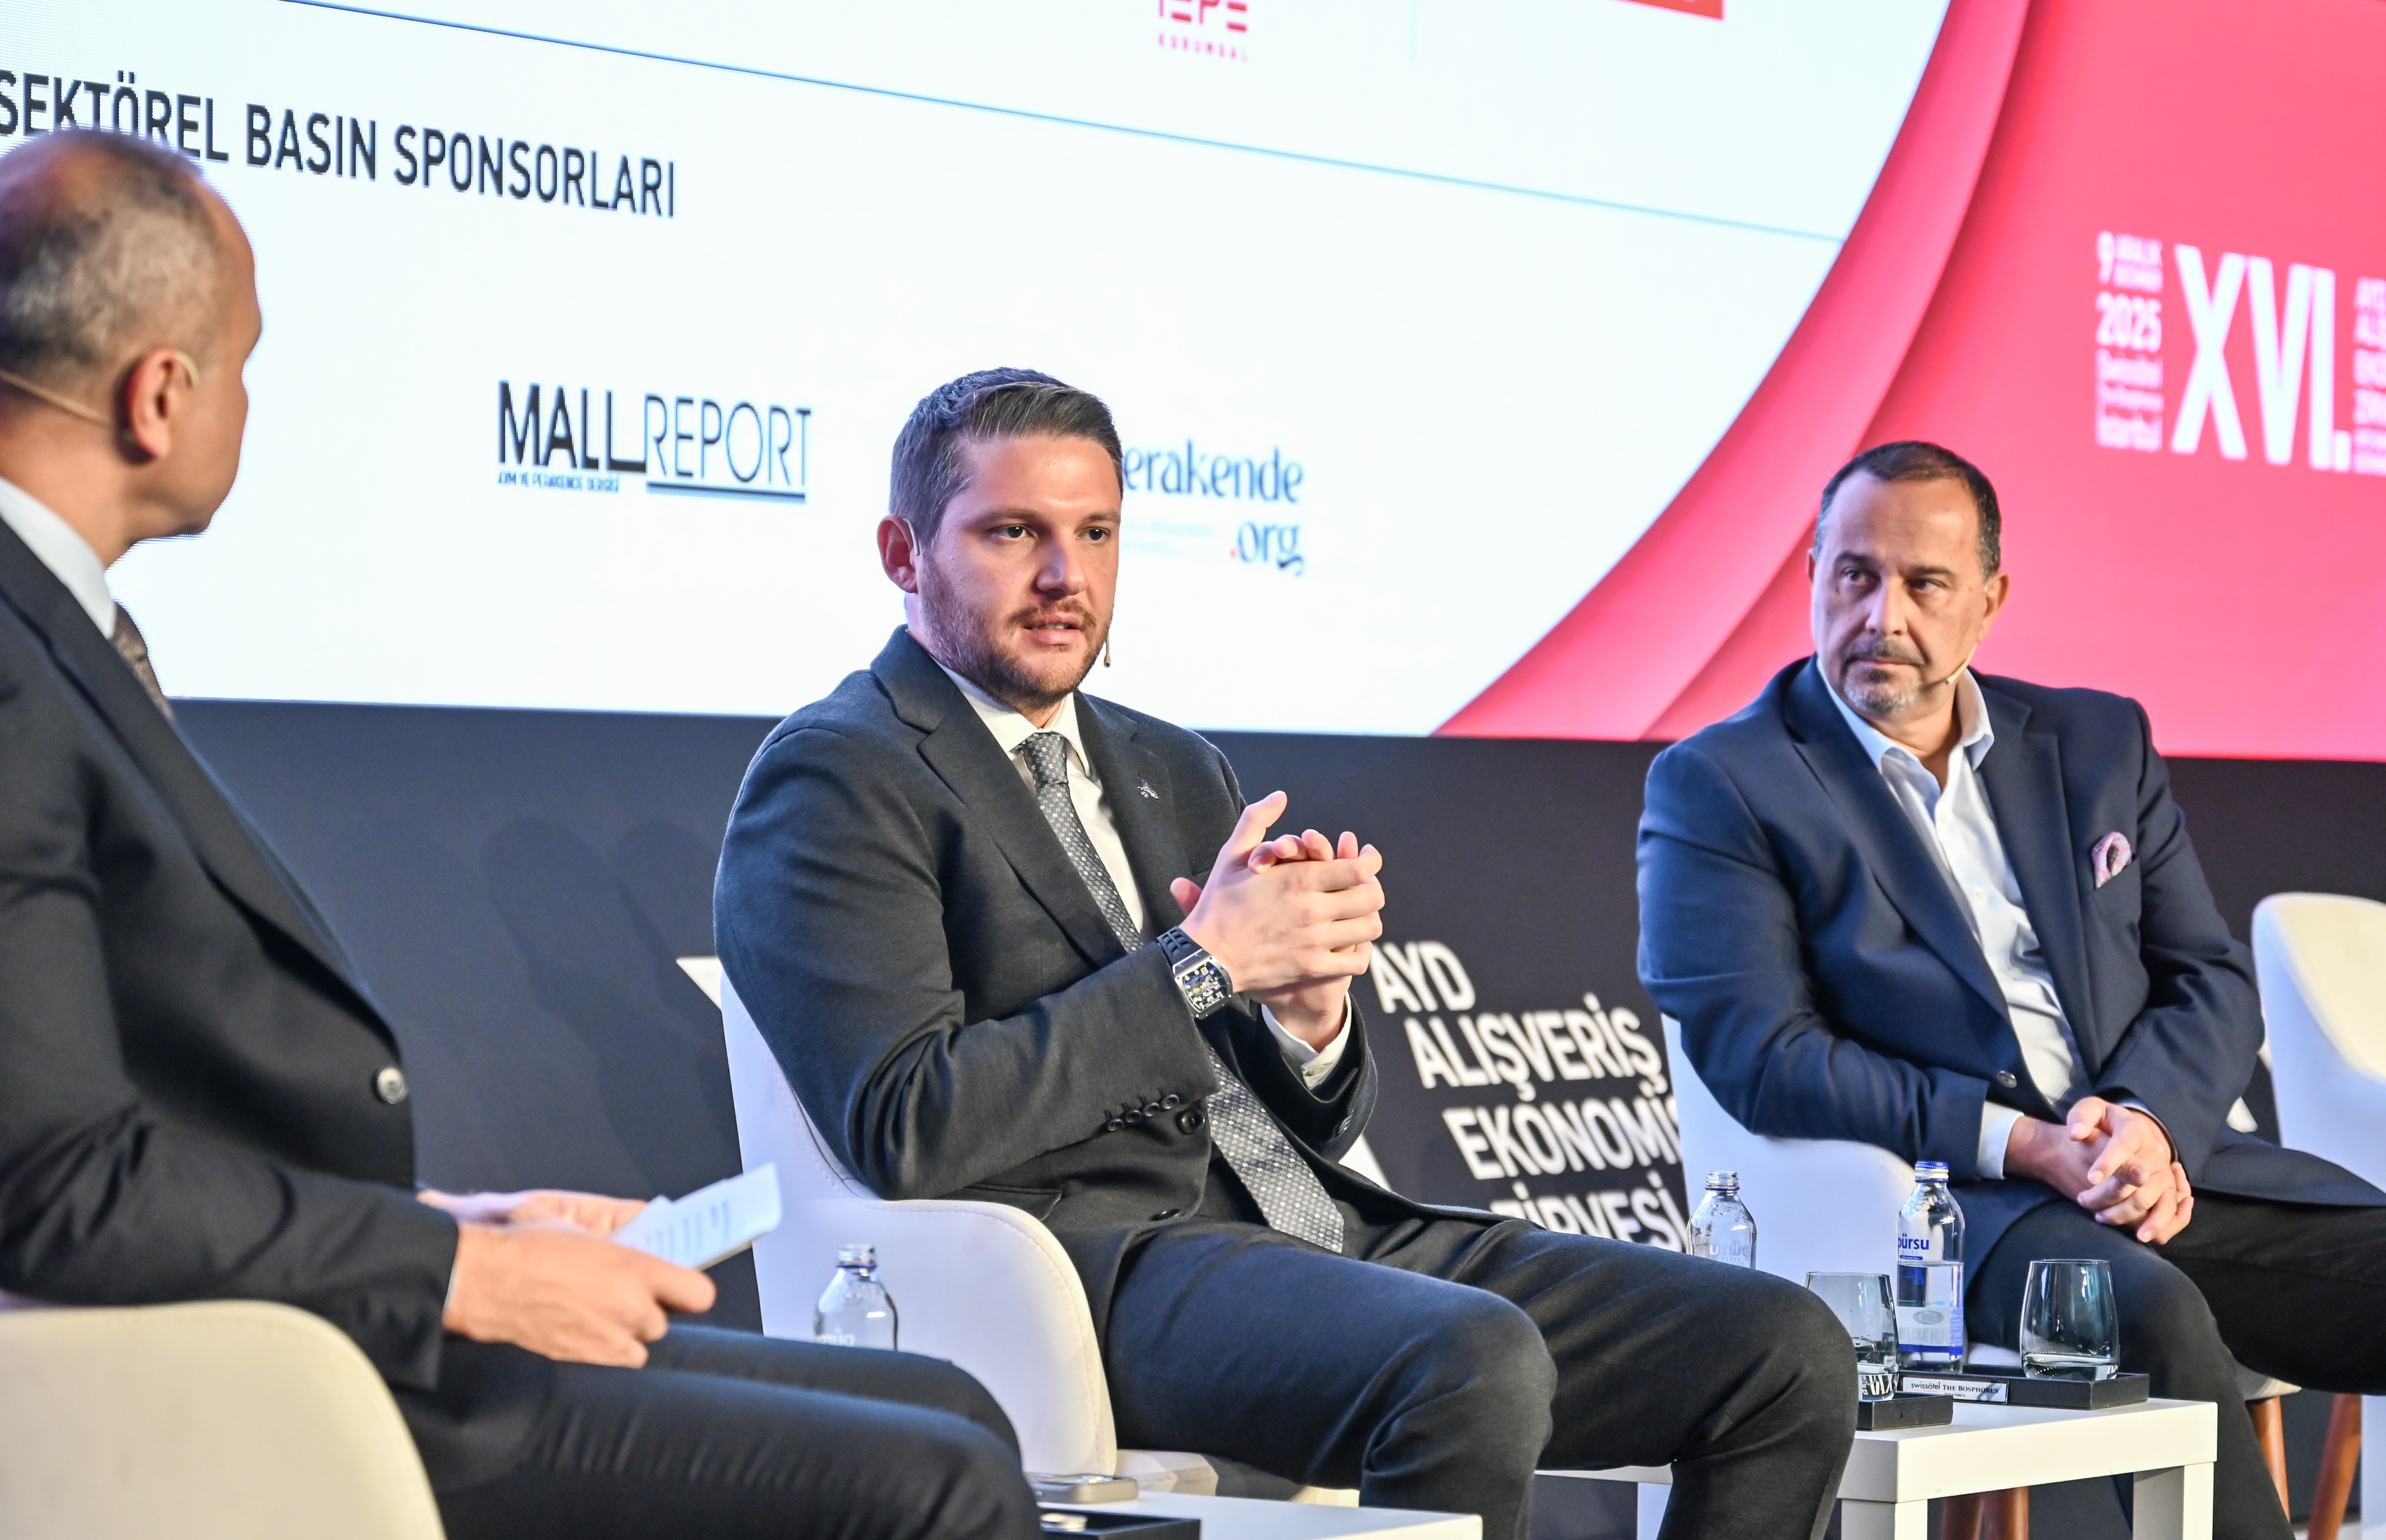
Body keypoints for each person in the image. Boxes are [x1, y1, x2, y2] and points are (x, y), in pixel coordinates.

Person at [0, 130, 1037, 1540]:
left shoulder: (52, 634)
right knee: (943, 1481)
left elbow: (128, 1116)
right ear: (162, 394)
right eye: (247, 364)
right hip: (237, 1382)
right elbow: (54, 1181)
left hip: (303, 1313)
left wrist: (465, 1222)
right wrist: (460, 1273)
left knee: (956, 1410)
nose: (250, 403)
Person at [716, 366, 1859, 1540]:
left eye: (1095, 533)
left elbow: (1296, 1114)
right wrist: (1199, 965)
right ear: (903, 554)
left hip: (1313, 1229)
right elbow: (907, 1123)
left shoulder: (1174, 765)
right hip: (1088, 1271)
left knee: (1782, 1351)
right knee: (1470, 1360)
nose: (1066, 577)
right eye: (1014, 533)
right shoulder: (839, 776)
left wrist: (1306, 1021)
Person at [1637, 440, 2386, 1539]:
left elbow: (2208, 976)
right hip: (1948, 1209)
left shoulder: (2095, 741)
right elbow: (1764, 1056)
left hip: (2152, 1169)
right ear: (1813, 577)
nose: (1883, 616)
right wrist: (2022, 1144)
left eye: (1925, 584)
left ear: (1989, 603)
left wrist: (2146, 1126)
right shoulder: (1723, 782)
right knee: (2142, 1308)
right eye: (1855, 576)